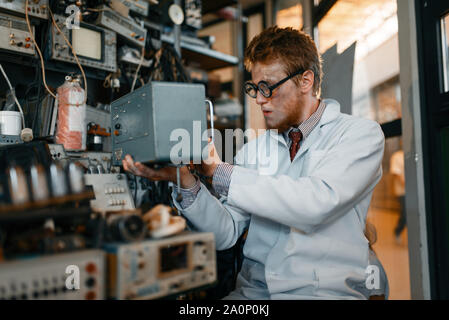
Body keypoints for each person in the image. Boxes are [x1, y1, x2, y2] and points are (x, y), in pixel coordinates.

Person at [123, 26, 387, 299]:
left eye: (268, 87)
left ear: (306, 81)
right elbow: (226, 233)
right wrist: (185, 181)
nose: (260, 99)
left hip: (321, 293)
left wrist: (220, 171)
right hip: (253, 295)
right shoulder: (254, 151)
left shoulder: (359, 135)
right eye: (255, 88)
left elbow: (316, 203)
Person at [390, 148, 406, 243]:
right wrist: (406, 184)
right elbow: (396, 173)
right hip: (402, 191)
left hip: (413, 190)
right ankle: (397, 231)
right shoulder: (397, 156)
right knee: (405, 214)